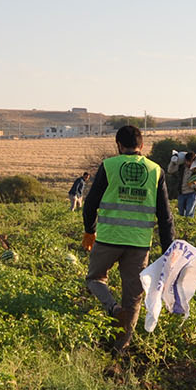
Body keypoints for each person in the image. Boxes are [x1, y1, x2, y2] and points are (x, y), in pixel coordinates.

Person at [81, 124, 175, 355]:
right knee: (133, 296)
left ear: (119, 145)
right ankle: (120, 348)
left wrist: (89, 230)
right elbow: (165, 216)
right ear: (142, 146)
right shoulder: (155, 170)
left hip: (108, 239)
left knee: (95, 279)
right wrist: (169, 250)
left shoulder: (109, 165)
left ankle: (113, 309)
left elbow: (91, 202)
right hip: (140, 244)